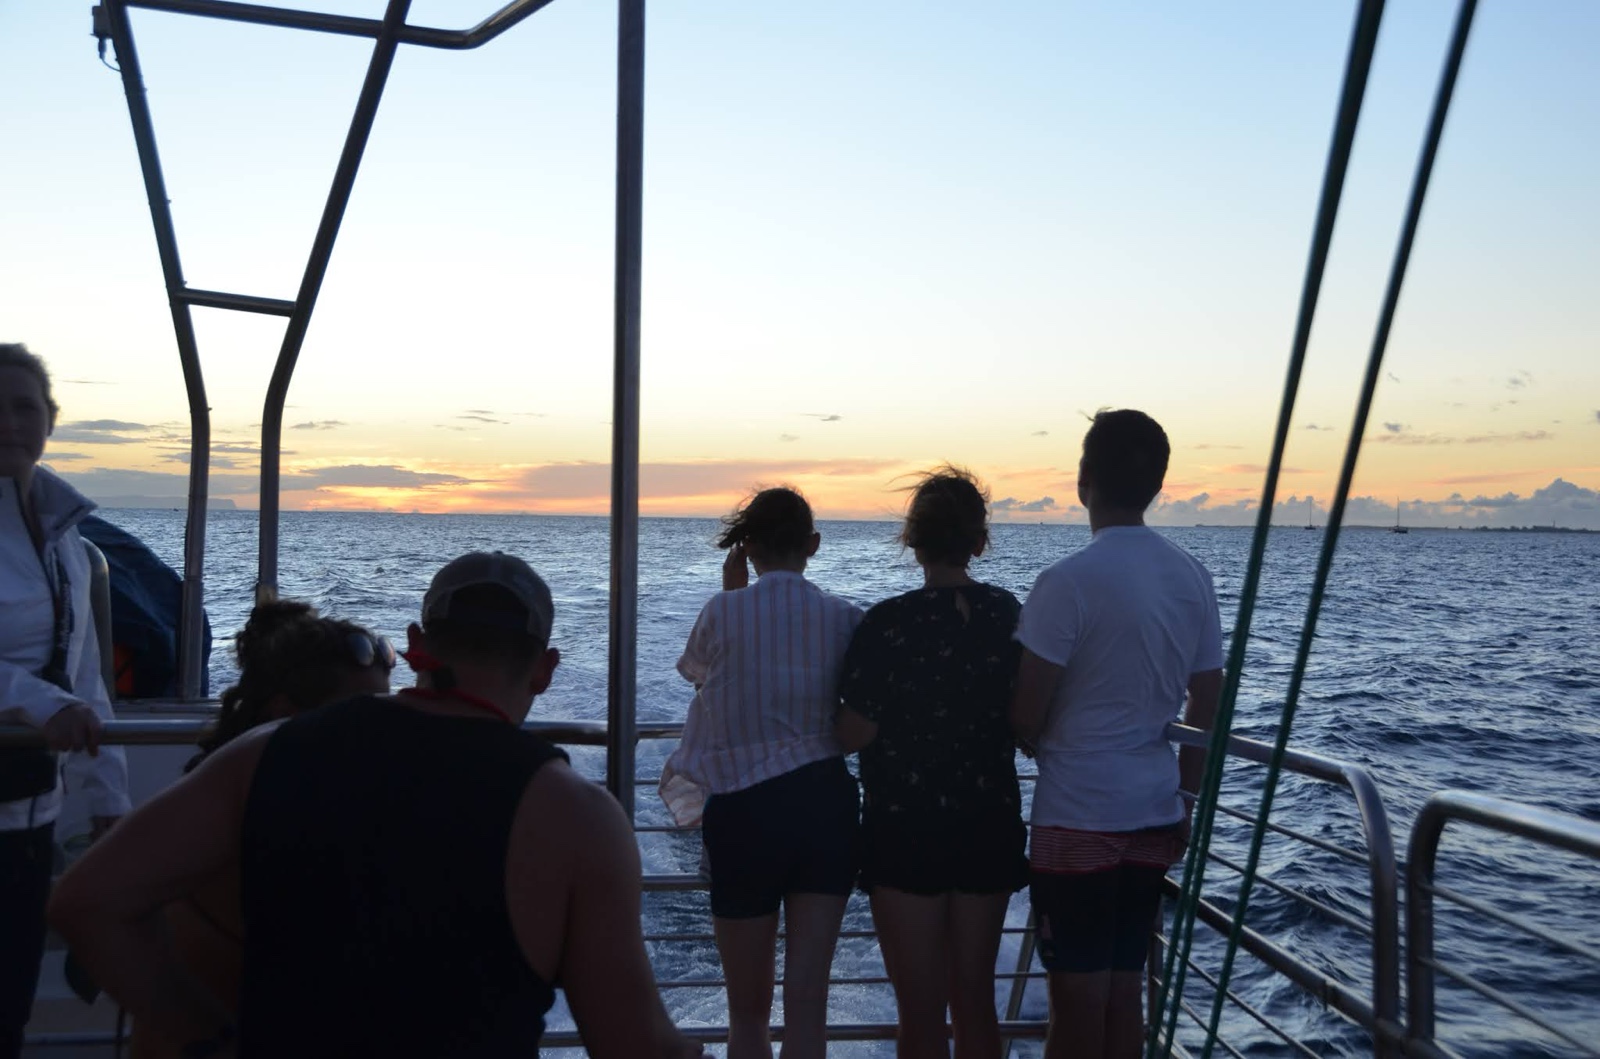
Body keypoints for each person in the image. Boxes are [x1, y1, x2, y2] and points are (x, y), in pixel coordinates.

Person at [51, 551, 705, 1059]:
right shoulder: (577, 815)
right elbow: (632, 1046)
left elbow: (86, 902)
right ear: (545, 669)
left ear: (418, 643)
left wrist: (213, 1039)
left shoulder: (266, 753)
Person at [1010, 410, 1223, 1059]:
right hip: (1154, 811)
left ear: (1084, 481)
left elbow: (1026, 715)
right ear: (1157, 485)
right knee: (1125, 994)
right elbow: (1208, 702)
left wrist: (1032, 729)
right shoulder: (1192, 576)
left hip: (1077, 816)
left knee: (1076, 1003)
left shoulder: (1065, 582)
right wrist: (1186, 799)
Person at [129, 599, 396, 1059]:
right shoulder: (253, 821)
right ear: (284, 715)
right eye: (359, 718)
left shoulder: (225, 789)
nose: (381, 735)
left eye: (385, 715)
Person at [659, 487, 863, 1059]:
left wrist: (733, 593)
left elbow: (708, 684)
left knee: (746, 1014)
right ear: (813, 545)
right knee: (807, 1006)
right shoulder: (848, 618)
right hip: (824, 808)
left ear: (747, 548)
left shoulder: (721, 610)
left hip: (745, 810)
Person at [836, 467, 1027, 1059]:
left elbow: (854, 733)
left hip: (905, 830)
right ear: (979, 542)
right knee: (976, 1003)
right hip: (988, 823)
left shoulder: (887, 623)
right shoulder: (1007, 614)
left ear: (913, 542)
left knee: (919, 1012)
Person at [0, 343, 129, 1059]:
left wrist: (108, 794)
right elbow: (55, 695)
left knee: (9, 1003)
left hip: (29, 812)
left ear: (50, 419)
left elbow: (85, 677)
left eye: (24, 407)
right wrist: (36, 703)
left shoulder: (66, 538)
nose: (8, 422)